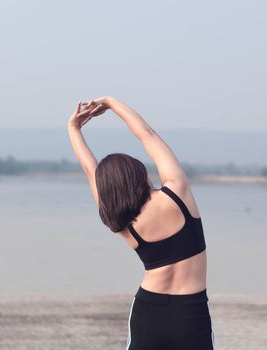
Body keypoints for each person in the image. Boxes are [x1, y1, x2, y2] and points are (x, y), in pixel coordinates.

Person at [67, 96, 215, 350]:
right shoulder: (176, 193)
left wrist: (73, 129)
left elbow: (89, 169)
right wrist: (112, 103)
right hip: (191, 314)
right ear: (139, 173)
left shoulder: (122, 221)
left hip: (148, 311)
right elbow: (147, 135)